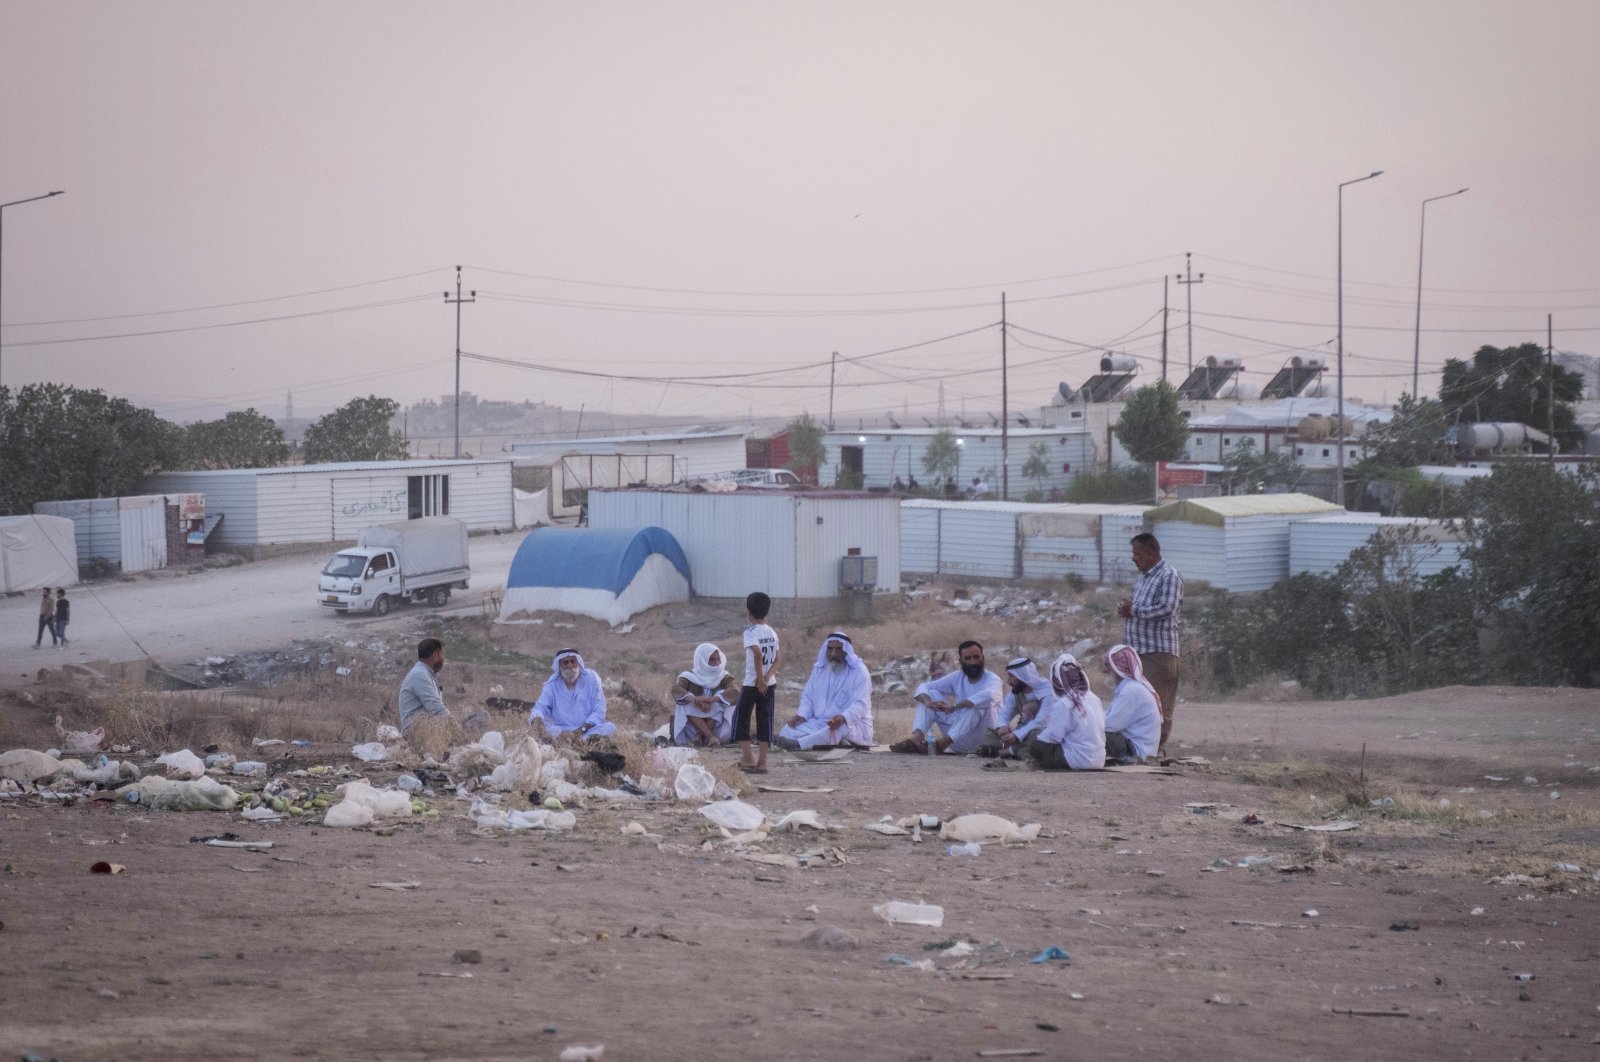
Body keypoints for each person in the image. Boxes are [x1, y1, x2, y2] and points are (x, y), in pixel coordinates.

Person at [1116, 532, 1183, 759]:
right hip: (1139, 653)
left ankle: (1156, 750)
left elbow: (1167, 609)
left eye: (1138, 554)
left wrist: (1133, 611)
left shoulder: (1169, 575)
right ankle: (1140, 748)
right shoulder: (1143, 577)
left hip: (1159, 653)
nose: (1134, 559)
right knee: (1138, 704)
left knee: (1159, 705)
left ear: (1152, 552)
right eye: (1133, 554)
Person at [889, 640, 1003, 755]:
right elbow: (924, 686)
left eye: (976, 657)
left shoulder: (993, 680)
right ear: (961, 661)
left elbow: (988, 696)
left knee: (976, 706)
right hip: (958, 740)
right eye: (968, 658)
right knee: (931, 693)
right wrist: (928, 703)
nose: (973, 662)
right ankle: (916, 740)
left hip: (982, 742)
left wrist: (955, 706)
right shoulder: (958, 677)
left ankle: (942, 743)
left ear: (983, 658)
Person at [776, 631, 874, 751]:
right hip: (822, 723)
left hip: (853, 725)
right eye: (830, 649)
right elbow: (808, 698)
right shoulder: (820, 670)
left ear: (846, 651)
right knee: (788, 729)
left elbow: (860, 704)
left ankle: (799, 745)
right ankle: (819, 742)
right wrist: (801, 715)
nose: (833, 653)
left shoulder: (859, 671)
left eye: (838, 649)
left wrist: (844, 717)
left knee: (840, 728)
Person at [1022, 653, 1106, 771]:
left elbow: (1053, 736)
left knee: (1035, 740)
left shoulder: (1065, 703)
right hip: (1098, 761)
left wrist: (1037, 739)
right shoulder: (1094, 698)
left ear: (1058, 680)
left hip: (1074, 761)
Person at [734, 592, 781, 774]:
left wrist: (760, 678)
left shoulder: (750, 632)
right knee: (765, 720)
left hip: (752, 683)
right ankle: (762, 763)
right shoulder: (771, 632)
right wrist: (768, 677)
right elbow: (778, 658)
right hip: (770, 683)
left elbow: (757, 653)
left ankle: (748, 758)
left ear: (748, 613)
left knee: (741, 719)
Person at [529, 649, 617, 741]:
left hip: (586, 730)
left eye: (572, 661)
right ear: (559, 666)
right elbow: (540, 708)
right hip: (561, 733)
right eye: (565, 662)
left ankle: (578, 742)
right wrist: (538, 720)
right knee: (545, 728)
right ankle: (579, 743)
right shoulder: (551, 685)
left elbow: (599, 711)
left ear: (578, 663)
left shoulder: (591, 679)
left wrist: (580, 731)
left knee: (610, 728)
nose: (570, 665)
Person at [1101, 644, 1163, 764]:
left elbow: (1110, 725)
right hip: (1137, 748)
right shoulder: (1130, 687)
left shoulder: (1132, 690)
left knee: (1092, 736)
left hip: (1138, 752)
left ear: (1118, 669)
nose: (1106, 671)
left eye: (1109, 667)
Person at [980, 656, 1051, 758]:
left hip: (1038, 732)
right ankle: (1018, 751)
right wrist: (1002, 726)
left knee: (1037, 736)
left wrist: (1017, 736)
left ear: (1023, 676)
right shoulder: (1015, 693)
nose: (1008, 682)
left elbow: (1041, 722)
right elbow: (1004, 712)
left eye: (1012, 676)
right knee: (988, 734)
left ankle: (1008, 751)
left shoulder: (1047, 692)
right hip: (1020, 734)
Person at [672, 643, 738, 747]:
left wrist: (712, 700)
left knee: (722, 697)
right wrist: (695, 699)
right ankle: (709, 737)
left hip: (718, 728)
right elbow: (676, 690)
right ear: (702, 660)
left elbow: (735, 690)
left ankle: (700, 736)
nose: (717, 663)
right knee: (684, 700)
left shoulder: (724, 676)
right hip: (692, 728)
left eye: (718, 659)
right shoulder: (688, 676)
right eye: (712, 660)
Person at [398, 638, 452, 738]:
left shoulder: (424, 673)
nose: (443, 658)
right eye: (442, 654)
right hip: (416, 733)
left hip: (423, 729)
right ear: (435, 656)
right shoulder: (420, 675)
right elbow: (436, 707)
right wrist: (455, 724)